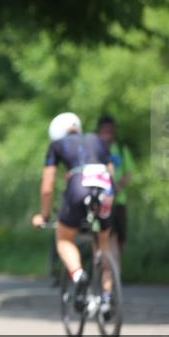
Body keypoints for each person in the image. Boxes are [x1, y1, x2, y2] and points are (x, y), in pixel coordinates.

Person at [32, 113, 116, 315]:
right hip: (105, 190)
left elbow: (47, 186)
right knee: (103, 246)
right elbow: (111, 172)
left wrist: (43, 215)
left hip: (79, 187)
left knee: (64, 239)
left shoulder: (58, 145)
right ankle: (106, 298)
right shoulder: (98, 140)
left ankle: (79, 276)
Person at [97, 115, 135, 259]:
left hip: (118, 200)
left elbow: (129, 173)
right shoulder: (96, 148)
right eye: (105, 131)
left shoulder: (121, 149)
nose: (108, 134)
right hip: (102, 199)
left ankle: (115, 267)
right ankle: (102, 267)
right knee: (101, 234)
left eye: (111, 131)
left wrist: (118, 187)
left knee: (120, 237)